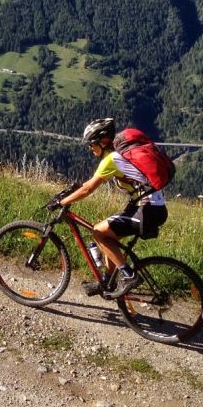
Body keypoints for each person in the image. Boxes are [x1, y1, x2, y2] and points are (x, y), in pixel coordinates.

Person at [55, 118, 168, 297]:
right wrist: (71, 191)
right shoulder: (118, 155)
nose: (90, 148)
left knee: (98, 233)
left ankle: (128, 275)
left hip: (148, 210)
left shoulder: (112, 159)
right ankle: (108, 280)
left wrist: (62, 202)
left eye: (92, 143)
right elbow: (87, 184)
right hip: (150, 207)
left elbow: (88, 189)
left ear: (104, 141)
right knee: (108, 237)